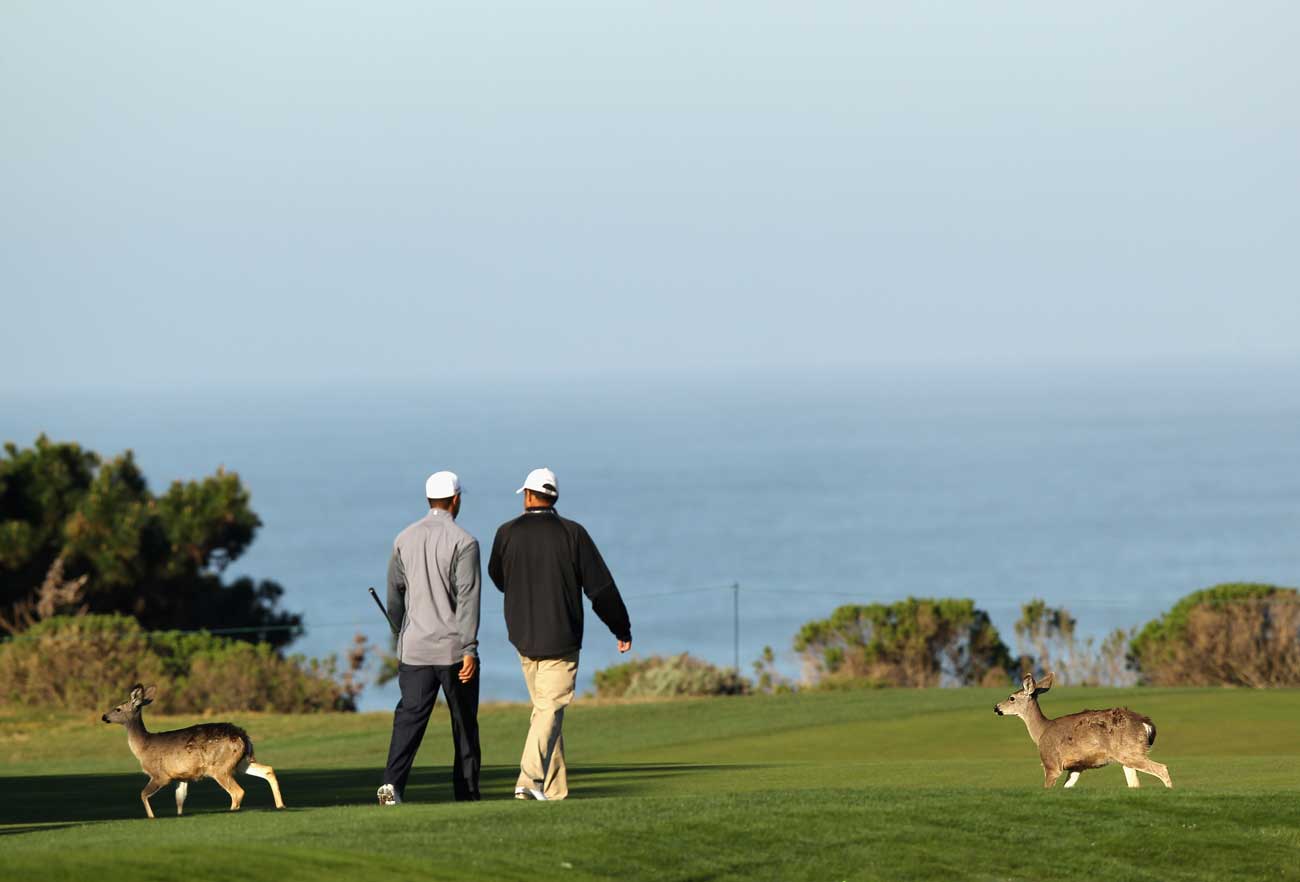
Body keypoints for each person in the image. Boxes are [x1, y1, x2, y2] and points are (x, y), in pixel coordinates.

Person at [488, 467, 632, 801]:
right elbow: (601, 589)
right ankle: (529, 780)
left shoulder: (506, 532)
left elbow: (498, 576)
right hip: (561, 638)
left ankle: (554, 793)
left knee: (545, 712)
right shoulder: (573, 533)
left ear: (528, 496)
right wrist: (621, 627)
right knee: (549, 711)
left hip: (523, 637)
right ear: (554, 497)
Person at [377, 470, 482, 805]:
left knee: (408, 720)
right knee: (463, 724)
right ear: (456, 500)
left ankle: (391, 786)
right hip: (454, 651)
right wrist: (470, 648)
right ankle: (466, 794)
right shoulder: (465, 542)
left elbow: (394, 595)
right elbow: (467, 600)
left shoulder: (403, 538)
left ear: (429, 499)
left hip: (414, 650)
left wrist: (400, 632)